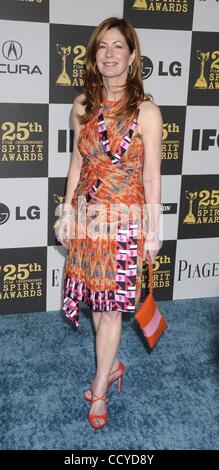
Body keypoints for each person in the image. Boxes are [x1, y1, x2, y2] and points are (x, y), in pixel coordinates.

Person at [55, 17, 163, 430]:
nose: (110, 54)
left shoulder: (147, 112)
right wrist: (66, 211)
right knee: (98, 307)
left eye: (119, 46)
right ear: (94, 57)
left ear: (132, 56)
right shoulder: (82, 105)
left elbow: (151, 176)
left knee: (113, 311)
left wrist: (152, 232)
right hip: (87, 220)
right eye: (103, 47)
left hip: (124, 223)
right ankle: (113, 364)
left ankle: (100, 385)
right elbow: (77, 163)